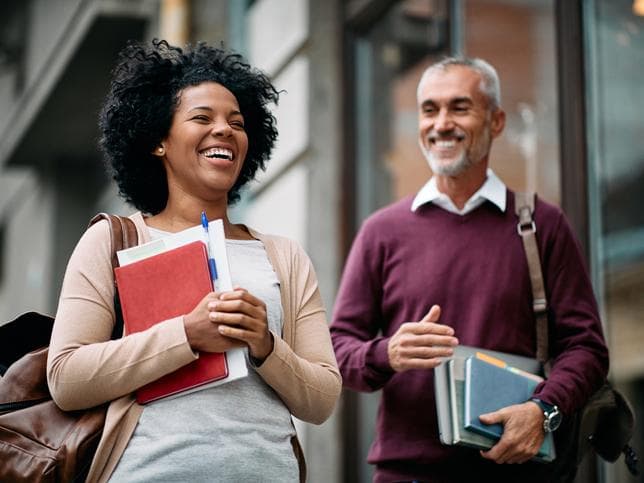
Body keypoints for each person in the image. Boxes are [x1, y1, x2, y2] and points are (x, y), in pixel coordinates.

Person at [46, 39, 341, 482]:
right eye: (201, 118)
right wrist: (187, 334)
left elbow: (321, 400)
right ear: (158, 141)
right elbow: (66, 378)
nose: (224, 130)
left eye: (237, 122)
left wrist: (265, 344)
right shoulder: (113, 240)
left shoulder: (283, 255)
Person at [330, 57, 609, 482]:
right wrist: (387, 353)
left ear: (496, 122)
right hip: (408, 473)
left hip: (517, 470)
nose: (441, 123)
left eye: (459, 108)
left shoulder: (542, 225)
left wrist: (542, 409)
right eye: (430, 109)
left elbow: (586, 348)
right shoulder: (381, 231)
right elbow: (337, 349)